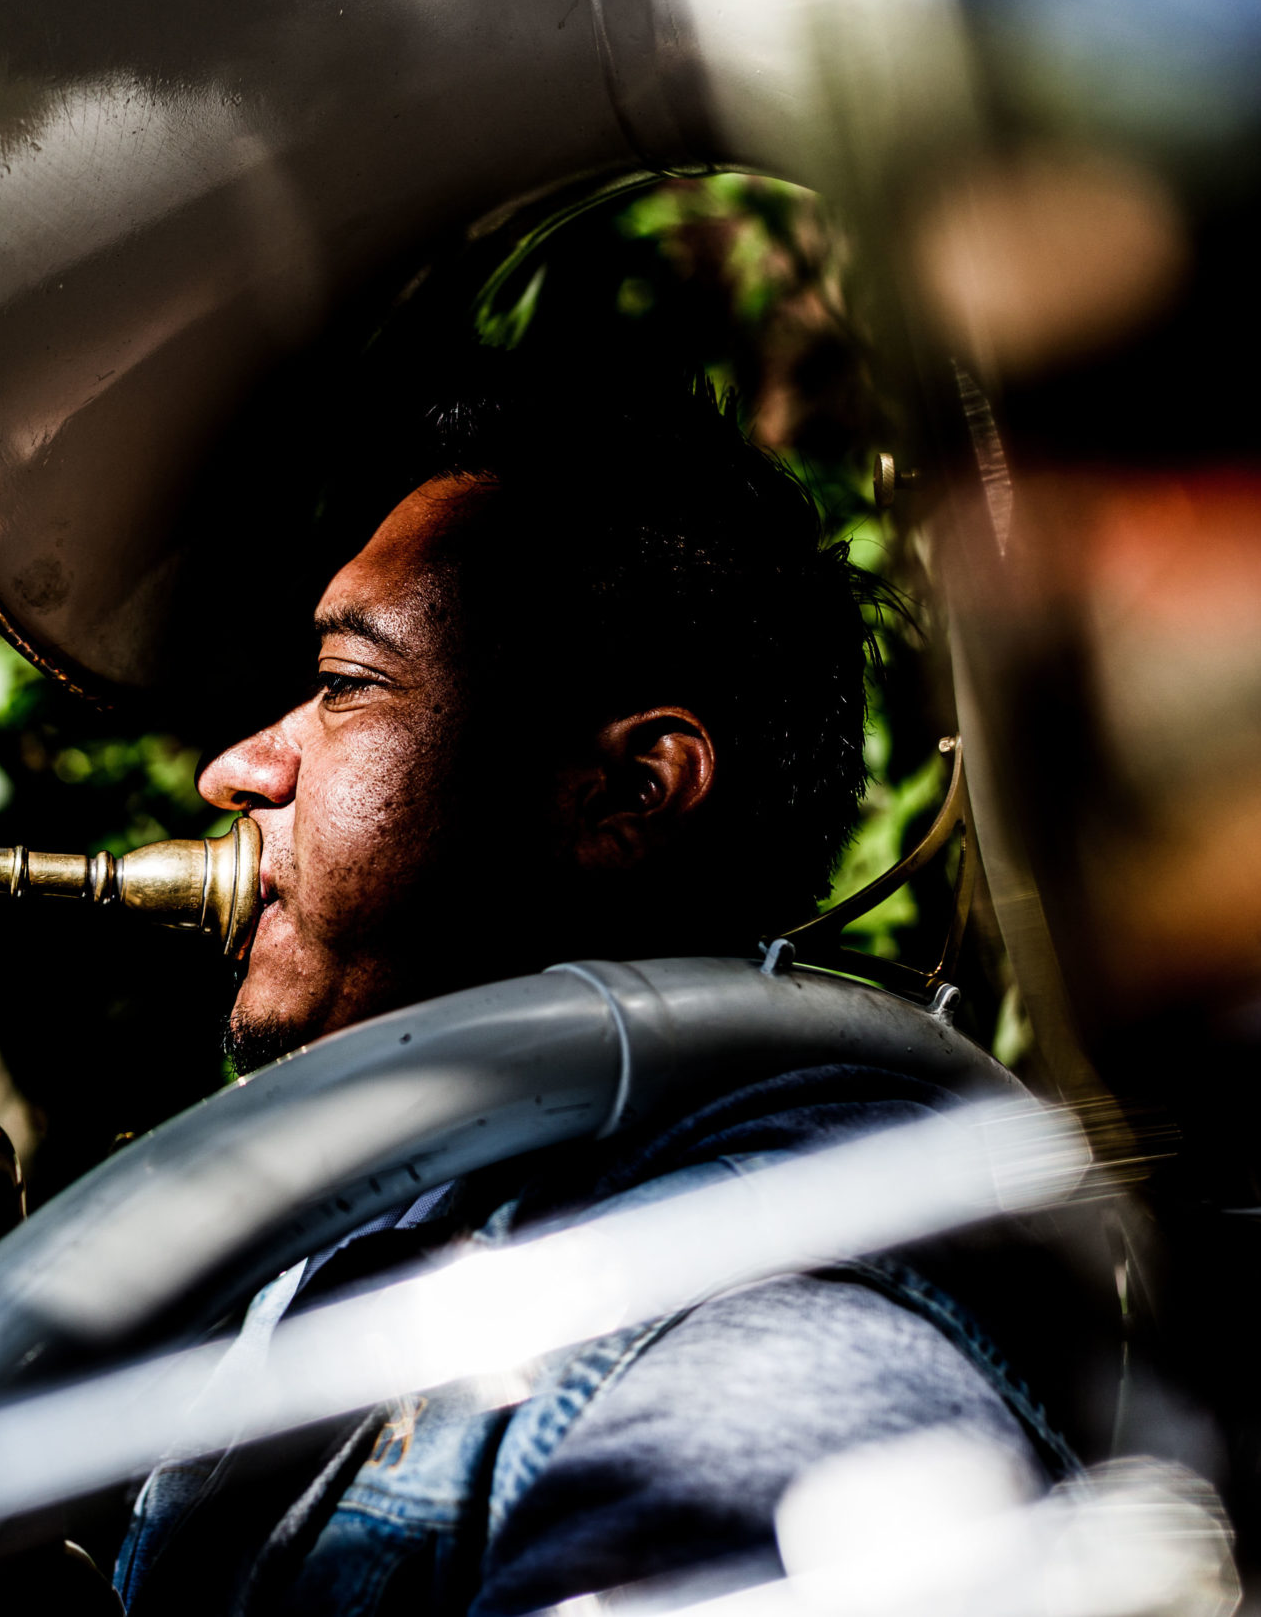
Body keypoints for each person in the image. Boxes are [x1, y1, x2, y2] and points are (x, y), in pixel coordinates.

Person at [113, 375, 1097, 1616]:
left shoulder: (760, 1323)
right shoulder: (412, 1212)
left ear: (629, 793)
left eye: (347, 683)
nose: (237, 768)